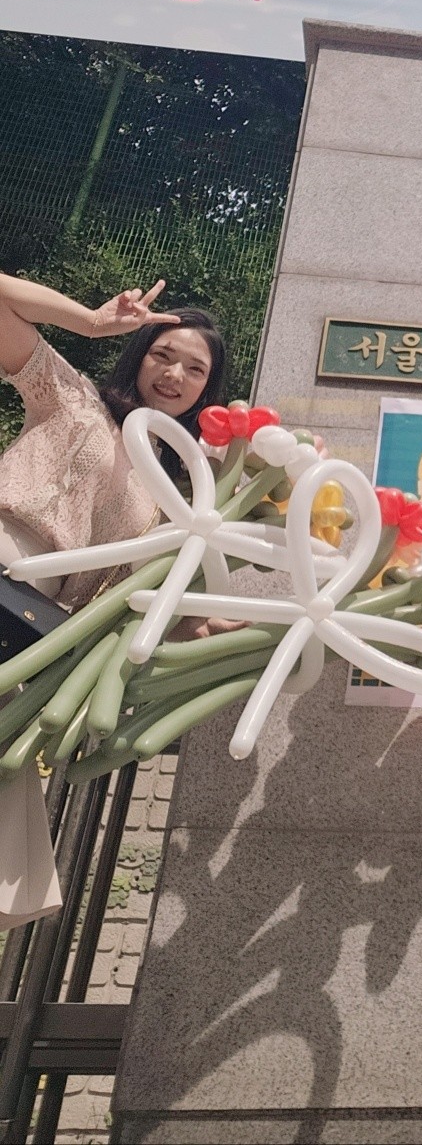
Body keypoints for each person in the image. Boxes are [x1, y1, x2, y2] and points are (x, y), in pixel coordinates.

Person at [0, 272, 230, 930]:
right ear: (138, 355)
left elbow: (138, 607)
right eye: (163, 354)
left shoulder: (169, 502)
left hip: (30, 640)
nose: (174, 374)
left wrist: (227, 630)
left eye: (194, 369)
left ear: (206, 391)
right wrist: (92, 322)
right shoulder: (72, 399)